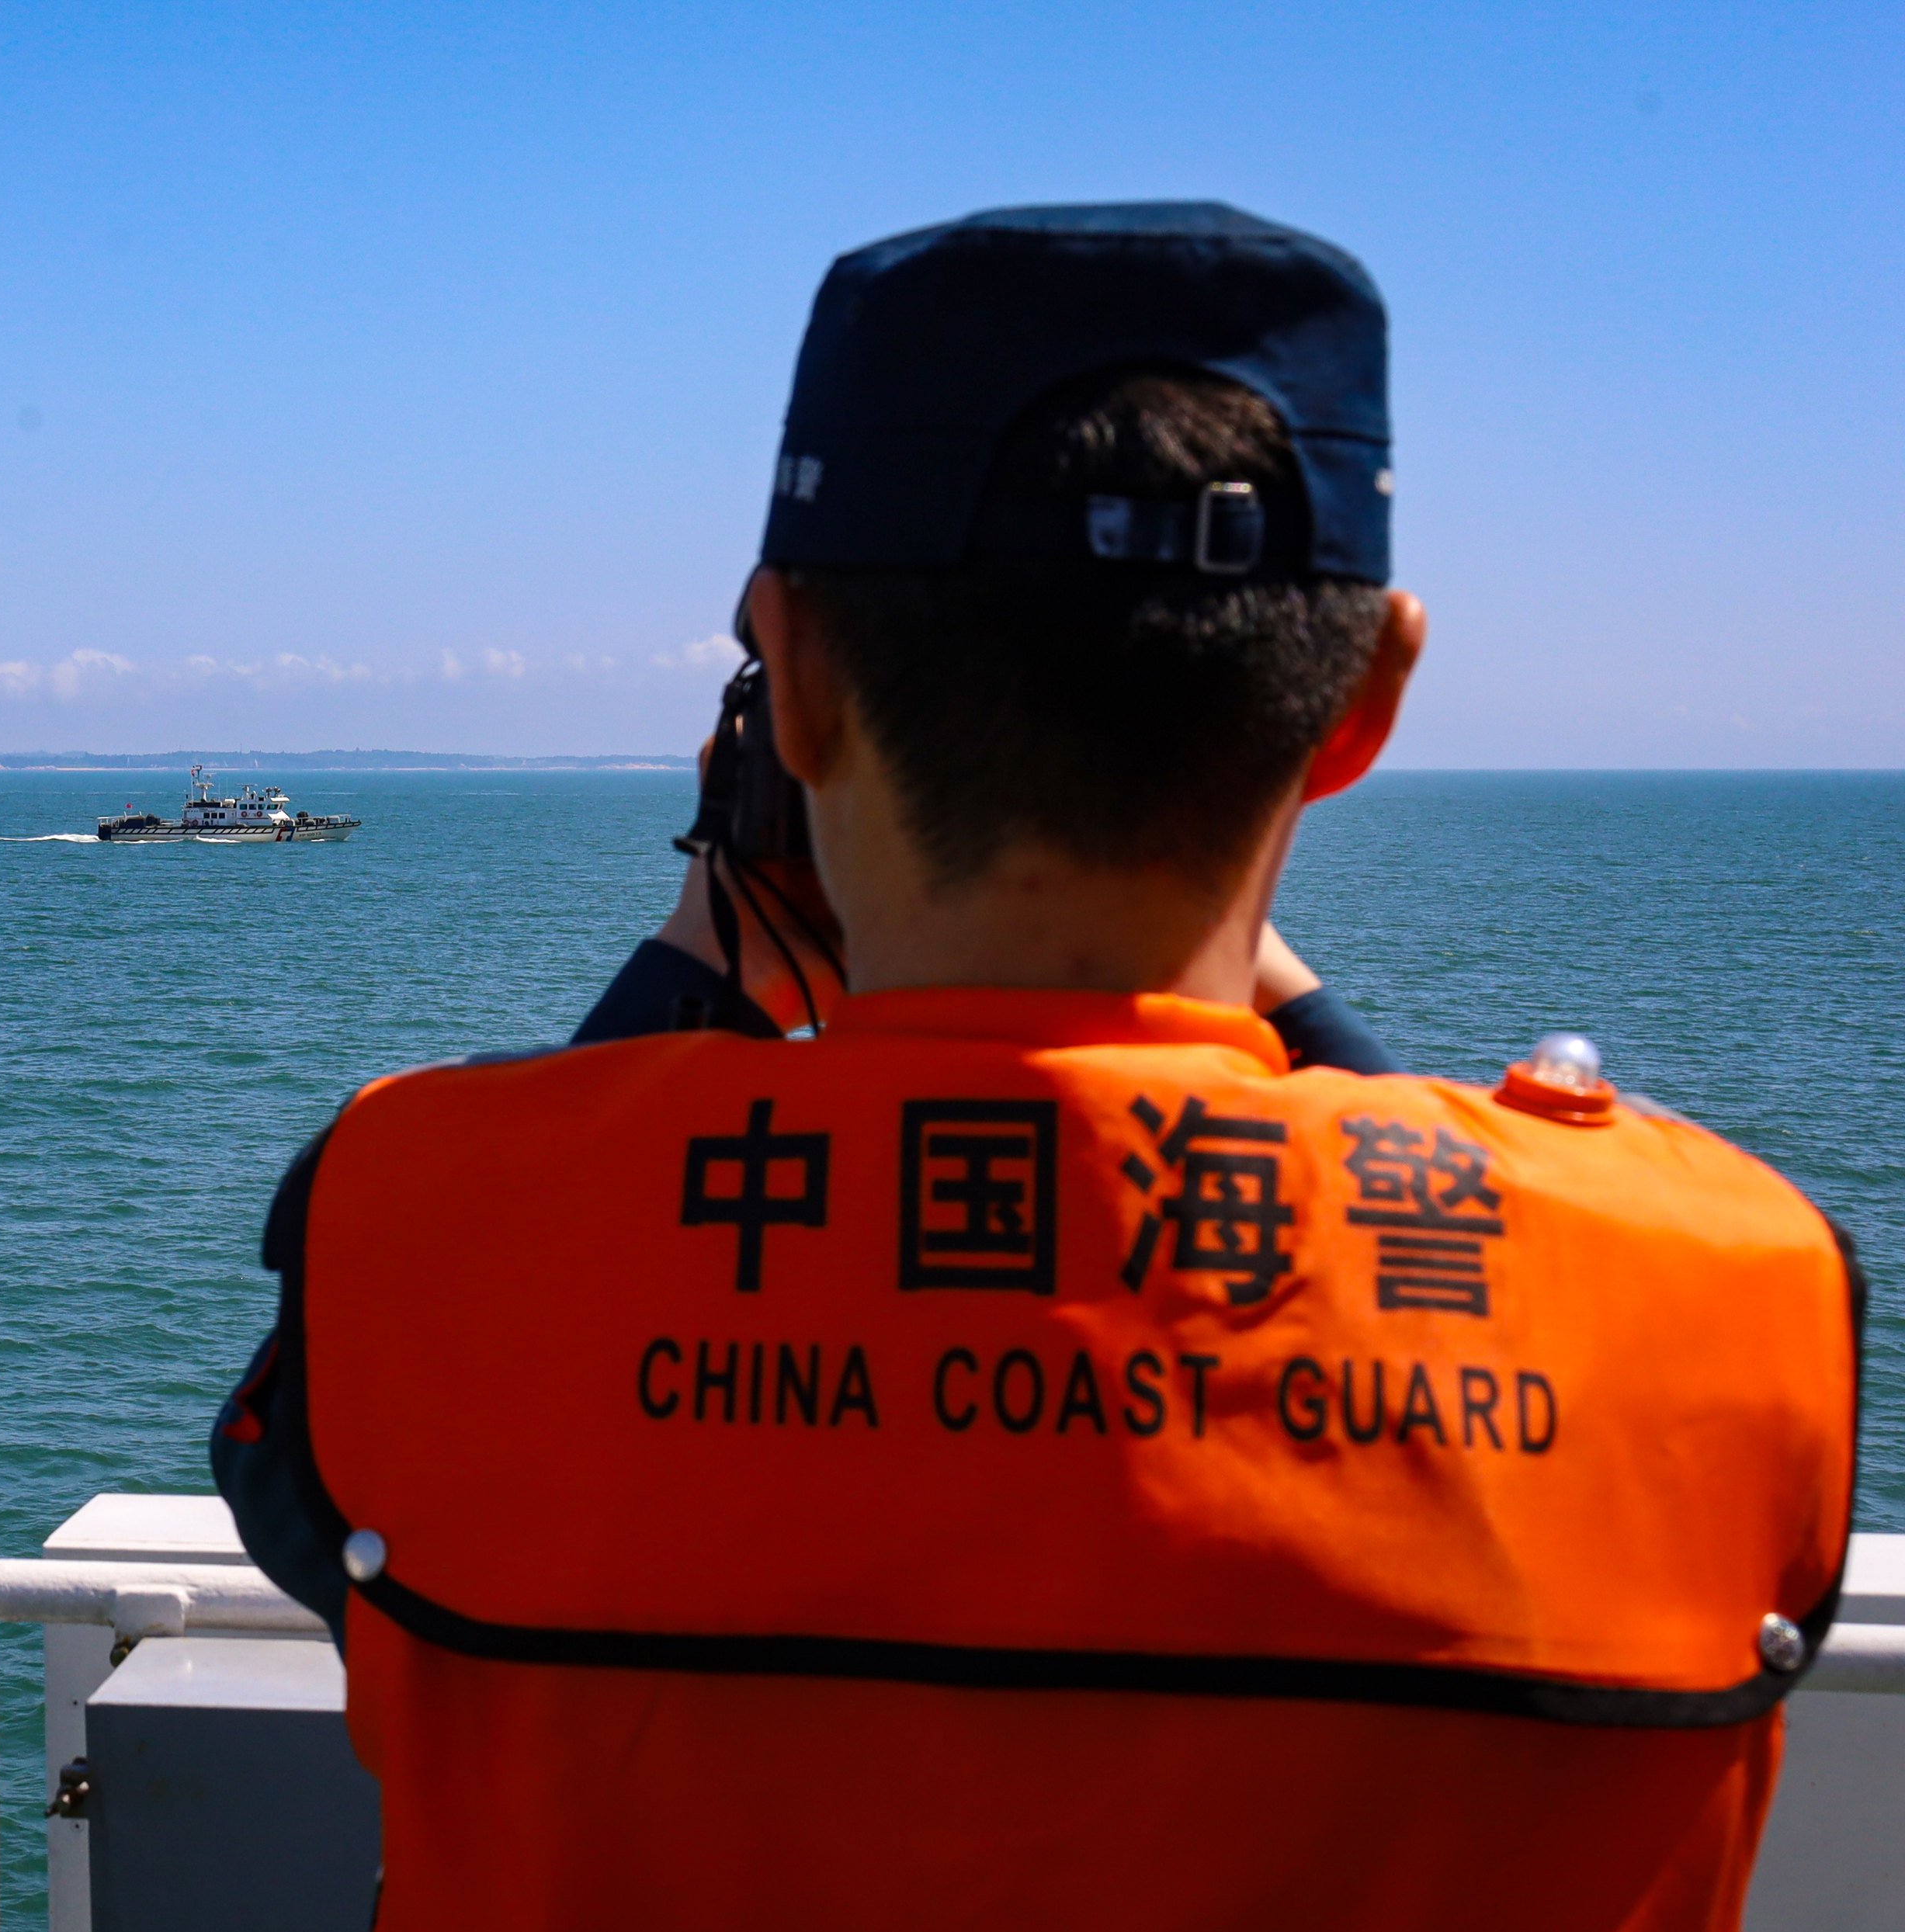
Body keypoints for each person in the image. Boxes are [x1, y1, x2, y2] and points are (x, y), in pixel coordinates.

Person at [212, 203, 1860, 1931]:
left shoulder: (419, 1227)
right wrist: (1257, 982)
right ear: (1361, 707)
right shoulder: (1726, 1297)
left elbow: (311, 1474)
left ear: (796, 685)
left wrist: (697, 962)